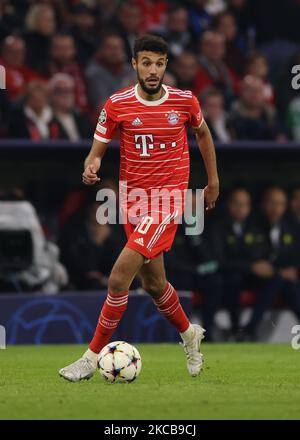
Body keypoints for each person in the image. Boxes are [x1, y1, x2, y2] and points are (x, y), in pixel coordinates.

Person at [59, 34, 219, 382]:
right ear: (134, 64)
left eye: (159, 63)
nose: (153, 70)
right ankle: (189, 334)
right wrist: (91, 164)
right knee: (155, 283)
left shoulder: (185, 101)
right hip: (134, 203)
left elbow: (204, 134)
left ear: (166, 66)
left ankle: (89, 357)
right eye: (146, 62)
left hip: (167, 201)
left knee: (119, 278)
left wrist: (213, 181)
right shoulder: (116, 104)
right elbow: (97, 147)